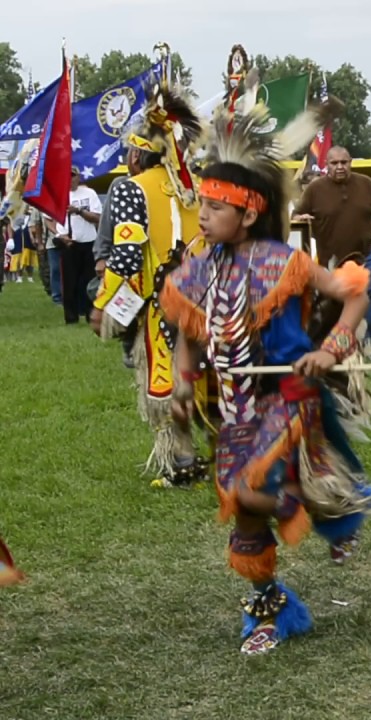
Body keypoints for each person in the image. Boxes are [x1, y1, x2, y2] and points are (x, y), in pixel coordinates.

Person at [161, 99, 371, 656]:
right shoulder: (198, 269)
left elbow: (353, 294)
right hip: (233, 409)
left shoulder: (287, 262)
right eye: (201, 205)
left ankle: (323, 496)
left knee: (253, 488)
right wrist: (185, 384)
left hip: (288, 394)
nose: (203, 215)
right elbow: (188, 332)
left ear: (249, 213)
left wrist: (329, 350)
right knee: (244, 512)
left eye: (214, 207)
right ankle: (269, 609)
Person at [90, 85, 207, 489]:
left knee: (166, 380)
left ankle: (181, 463)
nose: (127, 160)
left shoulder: (129, 188)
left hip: (163, 305)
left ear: (138, 154)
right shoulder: (193, 188)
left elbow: (124, 256)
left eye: (128, 154)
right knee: (202, 377)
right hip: (207, 299)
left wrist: (103, 304)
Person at [292, 146, 371, 361]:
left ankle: (370, 340)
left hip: (367, 253)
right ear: (326, 165)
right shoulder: (315, 190)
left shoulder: (367, 184)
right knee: (334, 303)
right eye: (334, 163)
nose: (339, 167)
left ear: (350, 162)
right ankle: (338, 341)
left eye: (344, 162)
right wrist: (301, 219)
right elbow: (296, 216)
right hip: (331, 258)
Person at [95, 171, 141, 368]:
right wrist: (102, 255)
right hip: (133, 267)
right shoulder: (124, 184)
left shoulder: (181, 184)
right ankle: (130, 344)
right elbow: (108, 225)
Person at [54, 168, 101, 324]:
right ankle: (71, 318)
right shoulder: (59, 195)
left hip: (88, 242)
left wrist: (79, 211)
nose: (70, 179)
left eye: (72, 175)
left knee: (90, 281)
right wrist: (60, 235)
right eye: (66, 175)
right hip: (68, 243)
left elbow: (97, 218)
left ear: (78, 177)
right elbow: (49, 218)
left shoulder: (89, 193)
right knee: (69, 283)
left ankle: (91, 315)